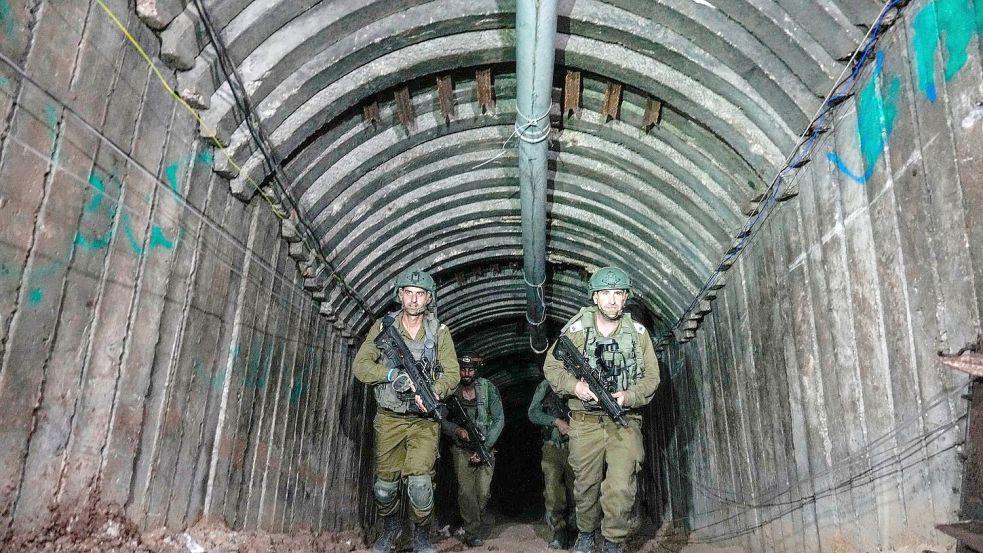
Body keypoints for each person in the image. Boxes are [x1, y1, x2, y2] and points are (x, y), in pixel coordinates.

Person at [543, 267, 661, 553]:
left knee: (620, 487)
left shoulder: (638, 333)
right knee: (585, 486)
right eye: (605, 294)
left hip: (625, 421)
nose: (611, 300)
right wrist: (575, 387)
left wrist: (629, 396)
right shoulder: (577, 330)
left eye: (617, 294)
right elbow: (552, 366)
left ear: (624, 298)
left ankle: (613, 541)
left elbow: (652, 378)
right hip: (584, 421)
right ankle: (586, 534)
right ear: (594, 298)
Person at [353, 269, 460, 553]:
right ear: (399, 295)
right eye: (408, 293)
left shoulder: (439, 332)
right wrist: (391, 374)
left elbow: (452, 373)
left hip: (424, 422)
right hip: (389, 419)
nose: (413, 300)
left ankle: (421, 536)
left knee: (421, 486)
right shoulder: (382, 327)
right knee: (384, 488)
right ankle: (390, 529)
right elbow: (361, 366)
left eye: (419, 294)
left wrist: (435, 392)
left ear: (429, 299)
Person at [440, 352, 504, 547]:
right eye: (463, 369)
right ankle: (471, 532)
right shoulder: (450, 390)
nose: (466, 373)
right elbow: (440, 418)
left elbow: (499, 419)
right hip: (461, 449)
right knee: (466, 492)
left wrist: (484, 447)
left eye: (470, 370)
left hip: (485, 448)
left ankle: (473, 521)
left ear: (476, 371)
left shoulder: (487, 389)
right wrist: (456, 430)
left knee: (482, 493)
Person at [528, 379, 577, 549]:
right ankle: (559, 531)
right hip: (552, 446)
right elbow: (533, 413)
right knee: (553, 491)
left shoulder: (581, 382)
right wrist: (556, 422)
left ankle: (577, 529)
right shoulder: (545, 385)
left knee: (578, 491)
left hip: (578, 446)